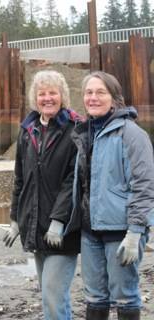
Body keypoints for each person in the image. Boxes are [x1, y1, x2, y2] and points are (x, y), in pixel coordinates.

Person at [71, 71, 154, 320]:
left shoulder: (131, 135)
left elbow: (145, 185)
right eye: (89, 92)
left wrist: (136, 231)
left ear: (114, 98)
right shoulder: (85, 133)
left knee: (125, 296)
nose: (93, 98)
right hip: (90, 230)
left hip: (121, 231)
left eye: (100, 92)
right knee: (95, 296)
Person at [3, 70, 82, 320]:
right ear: (34, 98)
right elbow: (20, 179)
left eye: (52, 93)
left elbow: (74, 181)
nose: (47, 98)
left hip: (63, 230)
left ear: (63, 96)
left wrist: (58, 221)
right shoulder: (28, 131)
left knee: (52, 292)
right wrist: (16, 219)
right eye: (42, 93)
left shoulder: (75, 130)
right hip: (35, 226)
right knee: (50, 295)